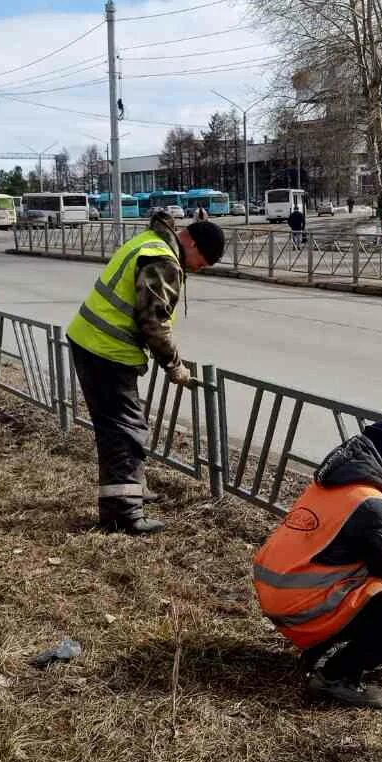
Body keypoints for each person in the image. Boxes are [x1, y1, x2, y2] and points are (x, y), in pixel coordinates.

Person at [253, 421, 382, 708]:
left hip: (275, 593)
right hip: (303, 607)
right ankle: (335, 678)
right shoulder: (370, 505)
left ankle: (319, 651)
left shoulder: (331, 483)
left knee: (372, 584)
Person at [66, 210, 226, 535]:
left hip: (96, 345)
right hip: (105, 350)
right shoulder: (162, 260)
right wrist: (174, 366)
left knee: (126, 425)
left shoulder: (151, 242)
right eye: (202, 261)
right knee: (124, 433)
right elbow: (154, 322)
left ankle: (133, 488)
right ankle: (123, 515)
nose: (199, 268)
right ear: (190, 242)